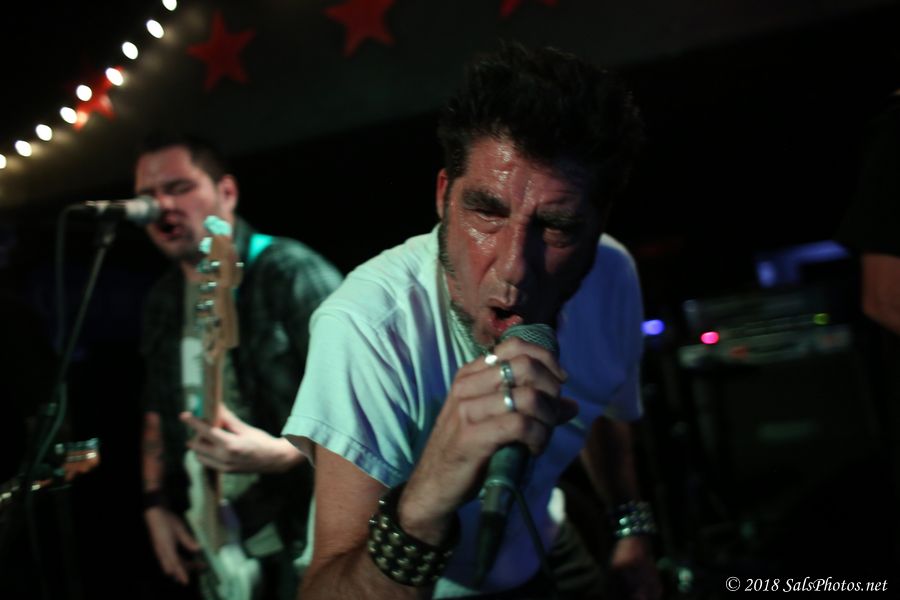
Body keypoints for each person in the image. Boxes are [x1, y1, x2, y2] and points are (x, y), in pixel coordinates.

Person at [283, 44, 661, 599]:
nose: (514, 269)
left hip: (547, 543)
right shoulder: (368, 325)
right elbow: (324, 588)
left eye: (556, 227)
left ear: (597, 227)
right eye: (487, 212)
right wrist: (427, 497)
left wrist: (630, 531)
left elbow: (603, 410)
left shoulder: (612, 274)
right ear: (443, 197)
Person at [136, 133, 342, 600]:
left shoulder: (290, 272)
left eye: (179, 187)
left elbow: (367, 405)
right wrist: (155, 504)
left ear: (226, 192)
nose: (161, 206)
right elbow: (155, 407)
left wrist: (285, 454)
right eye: (147, 195)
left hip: (302, 529)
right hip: (214, 532)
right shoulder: (163, 299)